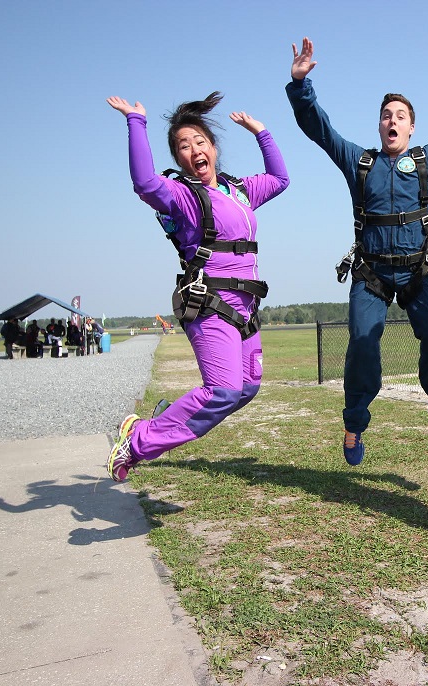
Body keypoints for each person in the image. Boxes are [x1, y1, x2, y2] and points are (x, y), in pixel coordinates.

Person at [286, 37, 428, 466]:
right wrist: (300, 87)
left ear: (411, 128)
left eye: (400, 116)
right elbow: (321, 131)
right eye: (386, 115)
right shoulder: (360, 162)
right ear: (379, 126)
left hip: (418, 272)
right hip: (370, 273)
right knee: (362, 346)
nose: (392, 120)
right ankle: (354, 424)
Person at [105, 91, 289, 482]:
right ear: (179, 160)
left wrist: (262, 132)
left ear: (214, 148)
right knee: (222, 390)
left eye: (200, 141)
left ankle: (154, 425)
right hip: (209, 304)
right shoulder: (184, 197)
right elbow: (144, 184)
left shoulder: (238, 191)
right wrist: (136, 122)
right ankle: (136, 444)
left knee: (246, 388)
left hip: (245, 309)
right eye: (183, 147)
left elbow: (280, 179)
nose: (194, 150)